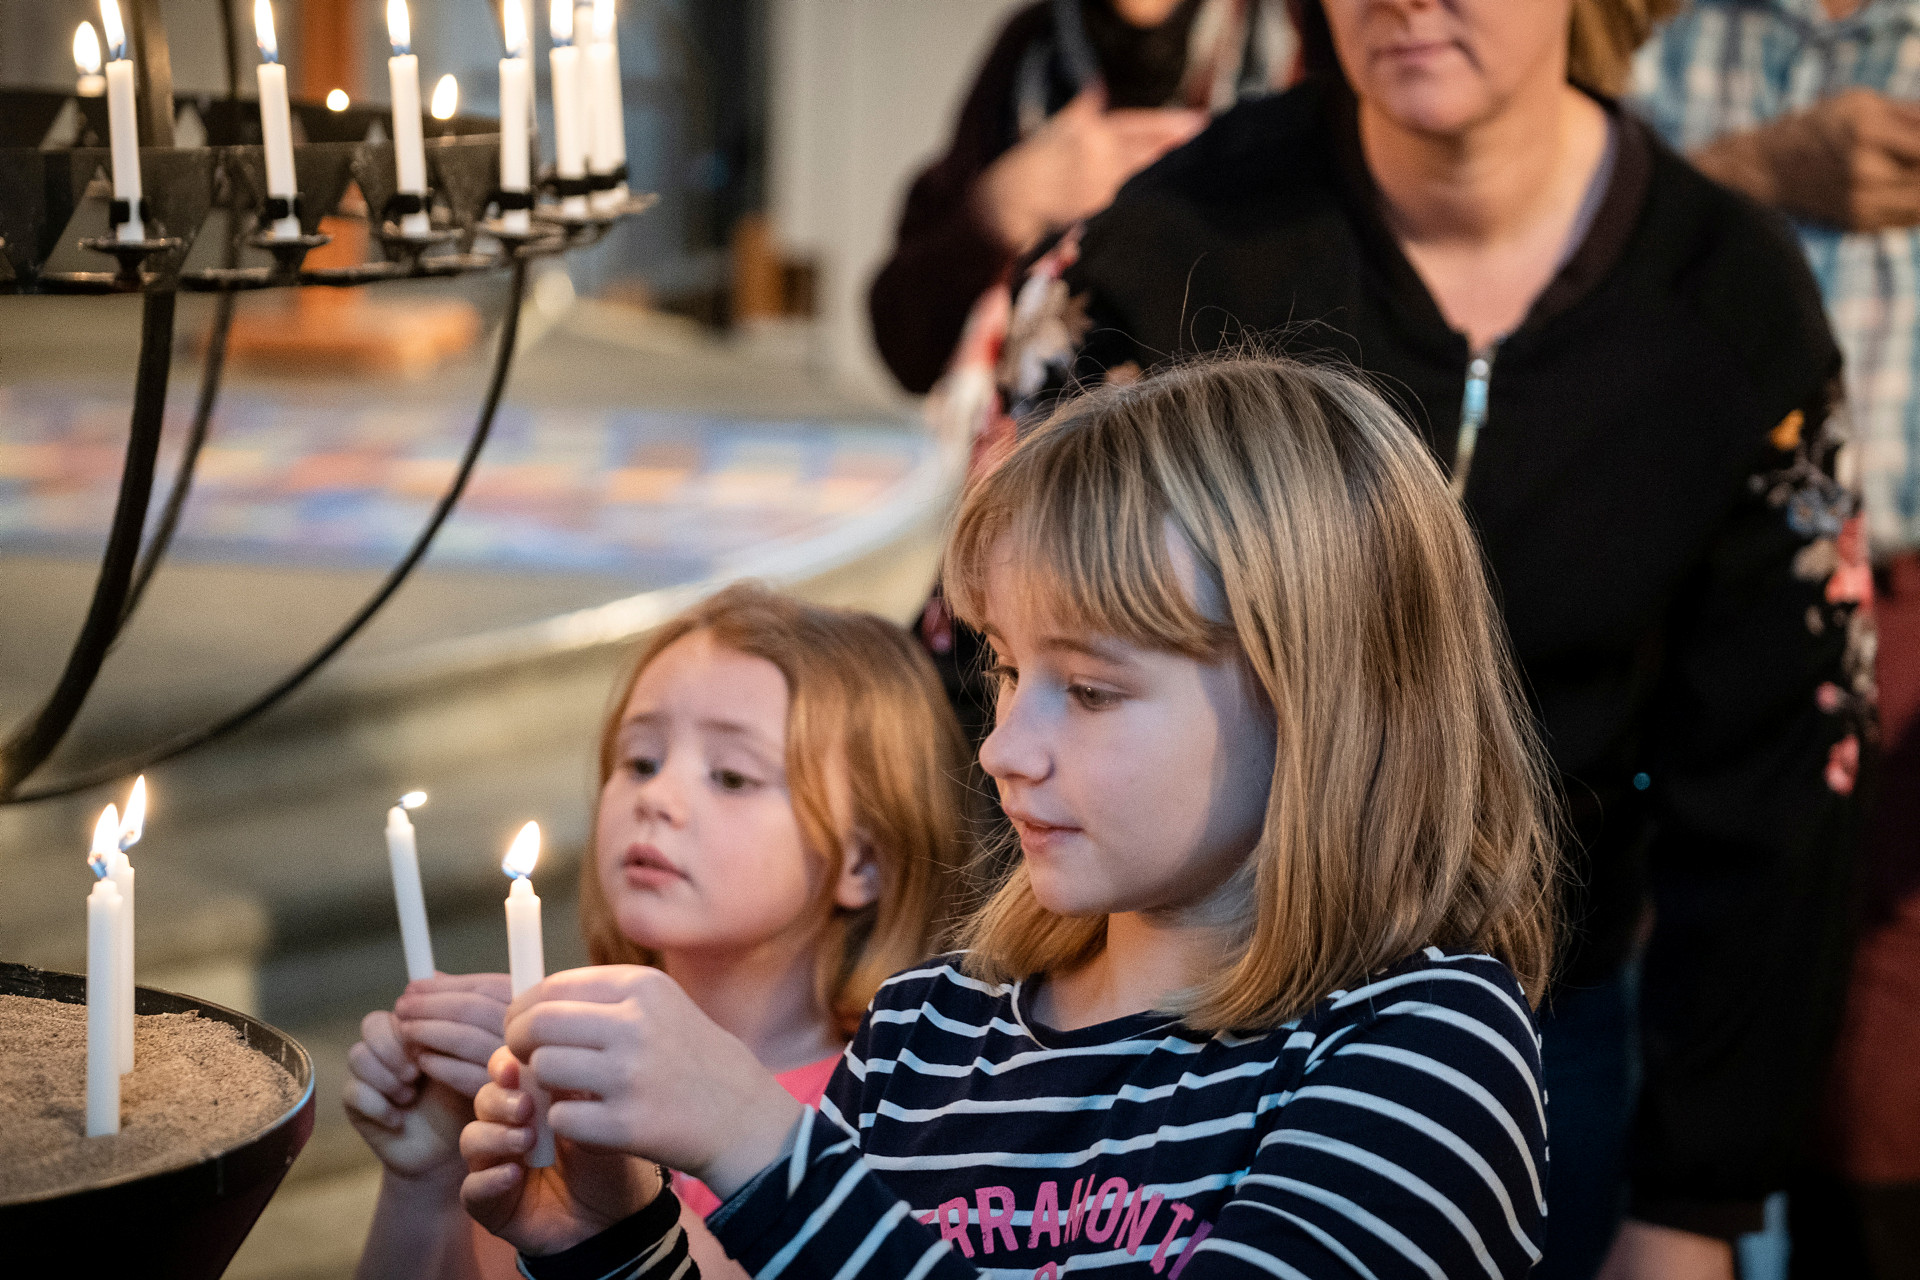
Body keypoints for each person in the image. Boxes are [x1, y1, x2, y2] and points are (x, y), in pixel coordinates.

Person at [978, 2, 1875, 1277]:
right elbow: (1002, 647)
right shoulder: (1163, 243)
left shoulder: (1730, 297)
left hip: (1550, 1014)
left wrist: (1697, 1200)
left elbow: (1786, 776)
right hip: (1157, 1002)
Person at [457, 356, 1561, 1279]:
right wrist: (616, 1239)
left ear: (1321, 698)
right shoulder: (928, 1034)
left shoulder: (1423, 1044)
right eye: (1004, 666)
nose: (1001, 748)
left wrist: (759, 1144)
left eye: (1088, 689)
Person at [342, 584, 969, 1279]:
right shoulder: (547, 1083)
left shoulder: (899, 1105)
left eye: (731, 776)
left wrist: (620, 1203)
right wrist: (423, 1179)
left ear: (864, 859)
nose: (658, 798)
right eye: (639, 761)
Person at [1632, 5, 1920, 1271]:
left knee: (1874, 1070)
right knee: (1704, 1005)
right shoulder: (1663, 44)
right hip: (1696, 601)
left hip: (1911, 605)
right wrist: (1758, 169)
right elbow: (1563, 254)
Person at [868, 0, 1298, 397]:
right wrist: (1005, 204)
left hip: (1248, 456)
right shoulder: (1031, 54)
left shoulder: (1293, 46)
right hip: (1053, 460)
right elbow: (906, 346)